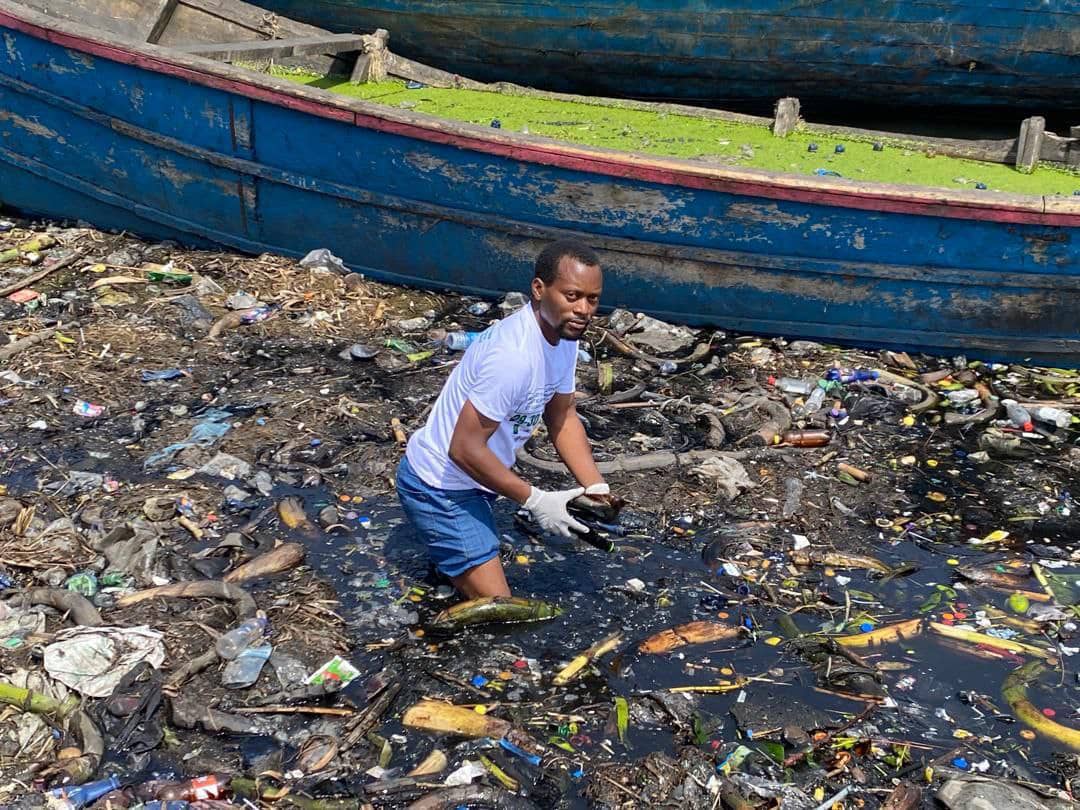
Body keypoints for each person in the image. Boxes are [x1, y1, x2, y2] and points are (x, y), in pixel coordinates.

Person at [396, 238, 611, 599]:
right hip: (439, 486)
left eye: (592, 299)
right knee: (502, 608)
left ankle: (456, 556)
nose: (583, 309)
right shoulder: (512, 357)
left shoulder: (565, 335)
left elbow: (562, 416)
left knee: (478, 570)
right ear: (539, 289)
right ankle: (445, 541)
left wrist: (595, 487)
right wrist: (535, 499)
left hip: (479, 482)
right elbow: (462, 449)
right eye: (572, 296)